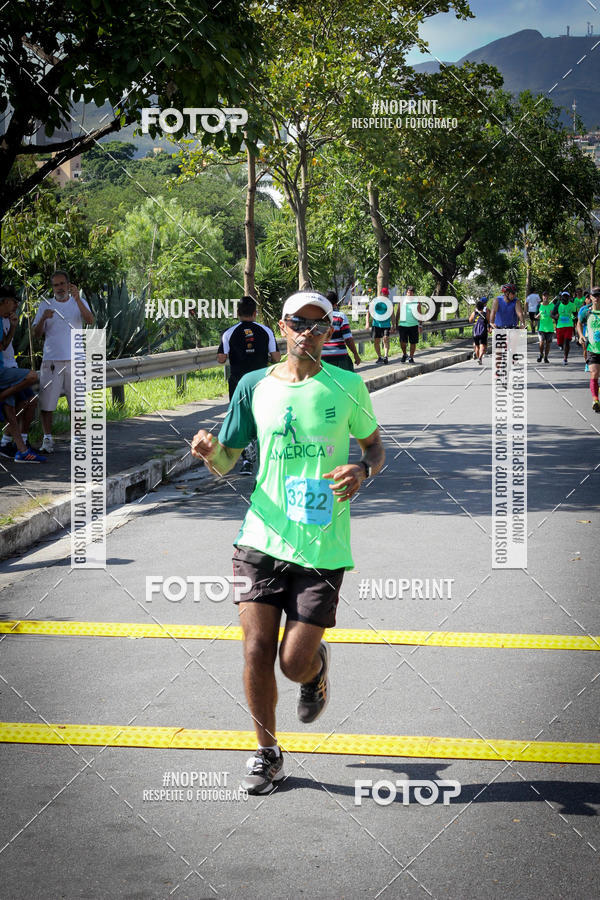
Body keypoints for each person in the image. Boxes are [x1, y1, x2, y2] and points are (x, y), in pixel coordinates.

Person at [191, 290, 385, 795]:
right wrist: (211, 452)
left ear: (330, 332)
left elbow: (375, 446)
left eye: (320, 325)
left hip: (322, 547)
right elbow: (228, 460)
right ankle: (267, 753)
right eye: (300, 322)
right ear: (281, 325)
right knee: (256, 650)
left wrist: (363, 469)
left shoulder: (345, 386)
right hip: (259, 538)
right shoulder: (254, 385)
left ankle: (316, 668)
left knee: (292, 662)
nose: (309, 332)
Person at [217, 295, 280, 475]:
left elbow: (221, 358)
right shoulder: (266, 331)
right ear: (255, 312)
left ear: (237, 313)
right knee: (263, 417)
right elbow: (276, 357)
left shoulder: (229, 333)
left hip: (238, 384)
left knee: (241, 419)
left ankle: (246, 460)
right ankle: (267, 457)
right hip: (263, 382)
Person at [33, 270, 94, 453]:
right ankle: (47, 439)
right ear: (52, 287)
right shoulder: (45, 305)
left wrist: (77, 299)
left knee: (76, 402)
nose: (59, 288)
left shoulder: (79, 301)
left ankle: (76, 438)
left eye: (62, 284)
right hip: (52, 360)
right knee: (47, 403)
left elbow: (90, 321)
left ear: (69, 285)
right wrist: (44, 317)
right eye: (56, 285)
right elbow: (36, 334)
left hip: (76, 360)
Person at [0, 287, 46, 463]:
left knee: (19, 406)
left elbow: (4, 345)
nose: (16, 305)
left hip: (9, 367)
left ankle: (20, 447)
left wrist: (12, 326)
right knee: (32, 377)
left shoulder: (6, 319)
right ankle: (15, 446)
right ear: (4, 301)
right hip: (5, 371)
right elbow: (2, 346)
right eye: (13, 301)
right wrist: (12, 328)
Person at [320, 290, 361, 370]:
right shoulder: (340, 316)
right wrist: (355, 354)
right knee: (345, 381)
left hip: (322, 358)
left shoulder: (318, 317)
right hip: (340, 357)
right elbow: (348, 339)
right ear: (335, 304)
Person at [576, 286, 600, 412]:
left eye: (599, 295)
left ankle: (597, 389)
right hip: (592, 348)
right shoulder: (586, 311)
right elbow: (579, 323)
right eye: (594, 295)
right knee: (594, 373)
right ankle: (595, 399)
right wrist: (580, 335)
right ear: (590, 297)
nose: (597, 297)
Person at [394, 285, 422, 363]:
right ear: (406, 292)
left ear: (413, 293)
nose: (410, 294)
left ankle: (411, 357)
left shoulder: (417, 301)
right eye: (408, 292)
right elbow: (398, 312)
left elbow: (420, 313)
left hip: (413, 325)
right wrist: (396, 323)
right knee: (402, 342)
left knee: (413, 342)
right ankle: (404, 354)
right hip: (403, 325)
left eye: (411, 292)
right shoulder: (402, 300)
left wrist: (420, 325)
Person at [366, 287, 392, 364]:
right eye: (385, 294)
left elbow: (392, 314)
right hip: (376, 324)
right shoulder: (375, 302)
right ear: (381, 294)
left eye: (387, 294)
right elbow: (368, 313)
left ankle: (386, 356)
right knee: (376, 341)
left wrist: (394, 324)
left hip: (386, 324)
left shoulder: (388, 303)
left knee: (385, 338)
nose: (386, 296)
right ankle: (379, 357)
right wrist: (367, 323)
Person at [554, 290, 578, 365]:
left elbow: (575, 314)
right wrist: (556, 317)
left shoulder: (572, 305)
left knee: (567, 341)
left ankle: (565, 358)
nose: (565, 297)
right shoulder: (558, 305)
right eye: (563, 296)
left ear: (568, 297)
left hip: (569, 326)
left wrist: (575, 318)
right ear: (561, 297)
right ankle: (560, 345)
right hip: (560, 326)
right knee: (560, 343)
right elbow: (552, 314)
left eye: (566, 296)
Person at [535, 291, 555, 364]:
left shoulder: (552, 305)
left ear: (548, 297)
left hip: (549, 328)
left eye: (546, 296)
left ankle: (546, 357)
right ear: (542, 297)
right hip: (541, 328)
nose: (545, 297)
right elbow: (535, 316)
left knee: (548, 344)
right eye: (544, 296)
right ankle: (541, 354)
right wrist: (537, 317)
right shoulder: (539, 306)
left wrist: (552, 315)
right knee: (541, 342)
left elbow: (556, 316)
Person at [469, 298, 490, 365]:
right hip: (483, 331)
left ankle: (478, 357)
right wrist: (489, 327)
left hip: (475, 331)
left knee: (477, 345)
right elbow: (489, 321)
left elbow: (470, 320)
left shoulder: (474, 312)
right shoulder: (486, 311)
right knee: (482, 345)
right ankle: (480, 357)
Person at [577, 292, 592, 371]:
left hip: (594, 332)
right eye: (588, 298)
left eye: (590, 298)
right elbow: (579, 322)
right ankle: (587, 363)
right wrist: (580, 335)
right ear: (585, 300)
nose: (589, 300)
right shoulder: (583, 309)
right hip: (585, 330)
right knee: (585, 349)